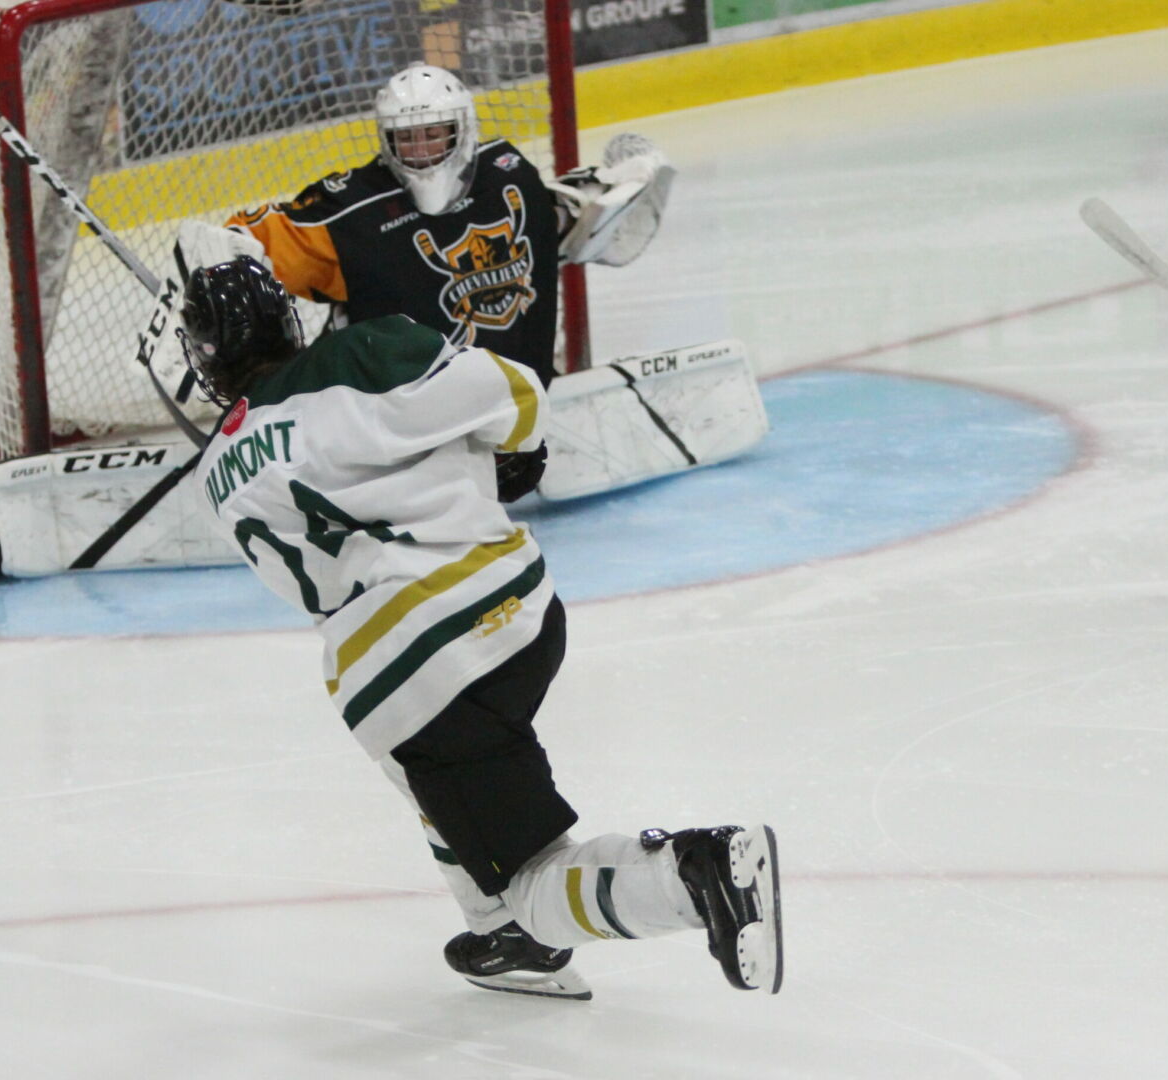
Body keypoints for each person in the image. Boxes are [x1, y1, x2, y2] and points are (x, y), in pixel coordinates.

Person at [180, 254, 782, 999]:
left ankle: (693, 878)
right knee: (438, 778)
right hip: (517, 611)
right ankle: (499, 932)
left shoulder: (215, 475)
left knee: (530, 882)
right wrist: (514, 457)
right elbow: (517, 394)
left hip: (411, 675)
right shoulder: (367, 350)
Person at [219, 62, 674, 387]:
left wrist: (624, 182)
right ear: (385, 140)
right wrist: (222, 270)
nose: (421, 150)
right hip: (397, 422)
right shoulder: (353, 210)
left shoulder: (509, 177)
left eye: (433, 134)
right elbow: (236, 246)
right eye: (407, 138)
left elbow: (582, 224)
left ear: (463, 129)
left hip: (520, 406)